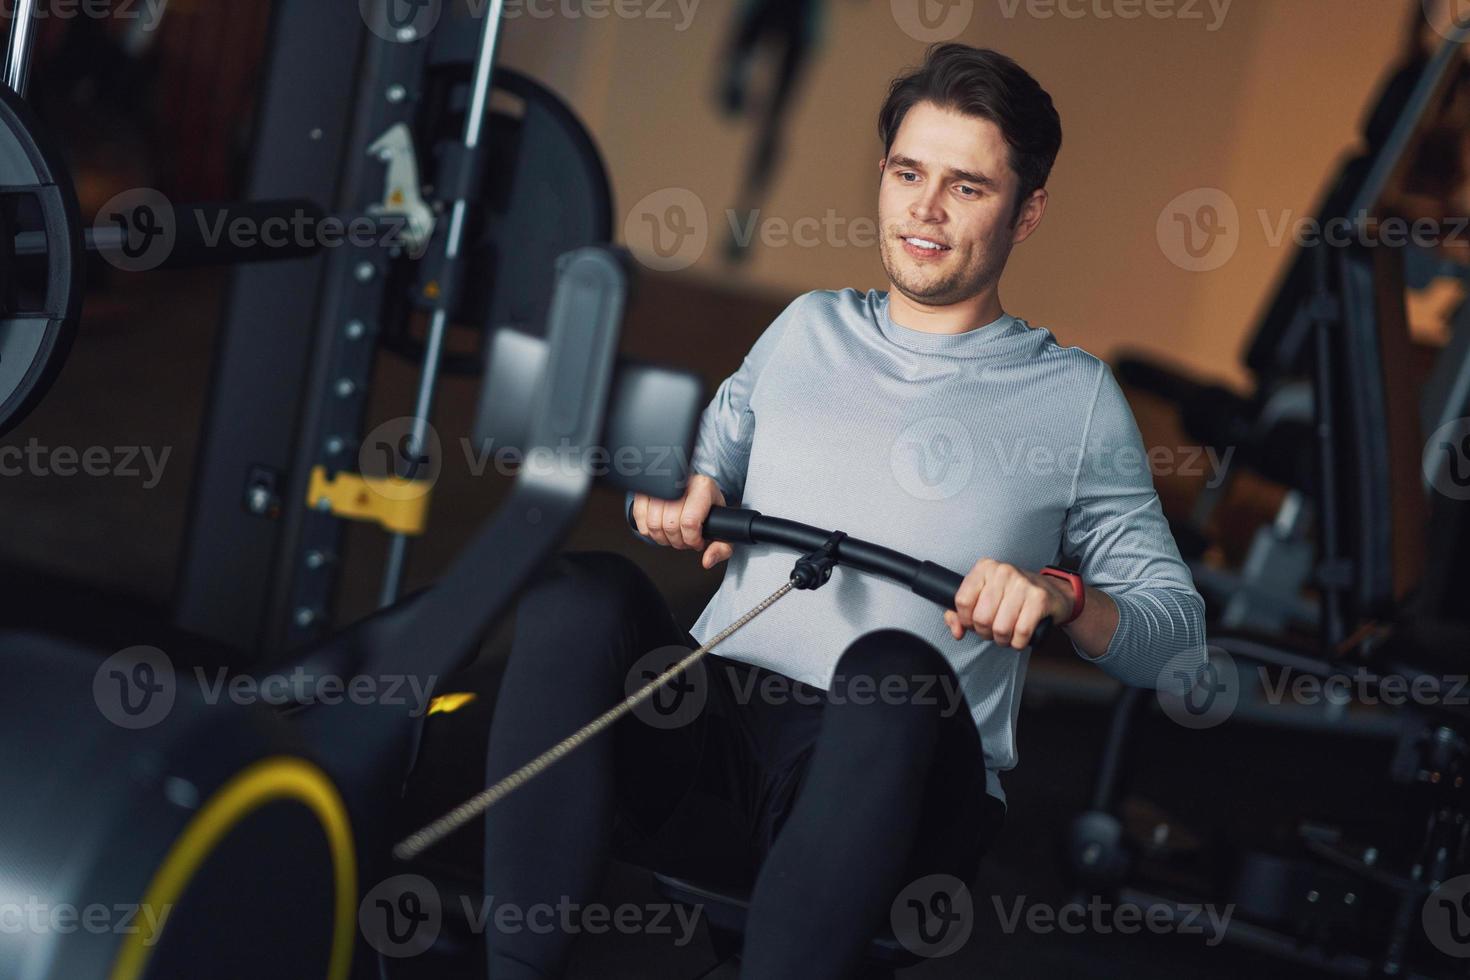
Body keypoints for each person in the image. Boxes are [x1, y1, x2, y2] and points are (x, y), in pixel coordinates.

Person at [482, 43, 1207, 979]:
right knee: (580, 596)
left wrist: (1062, 594)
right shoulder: (804, 331)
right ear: (884, 176)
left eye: (967, 187)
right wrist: (675, 496)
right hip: (719, 733)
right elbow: (694, 471)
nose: (926, 210)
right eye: (909, 173)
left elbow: (1177, 641)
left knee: (890, 670)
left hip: (902, 775)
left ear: (1027, 213)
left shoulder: (1073, 400)